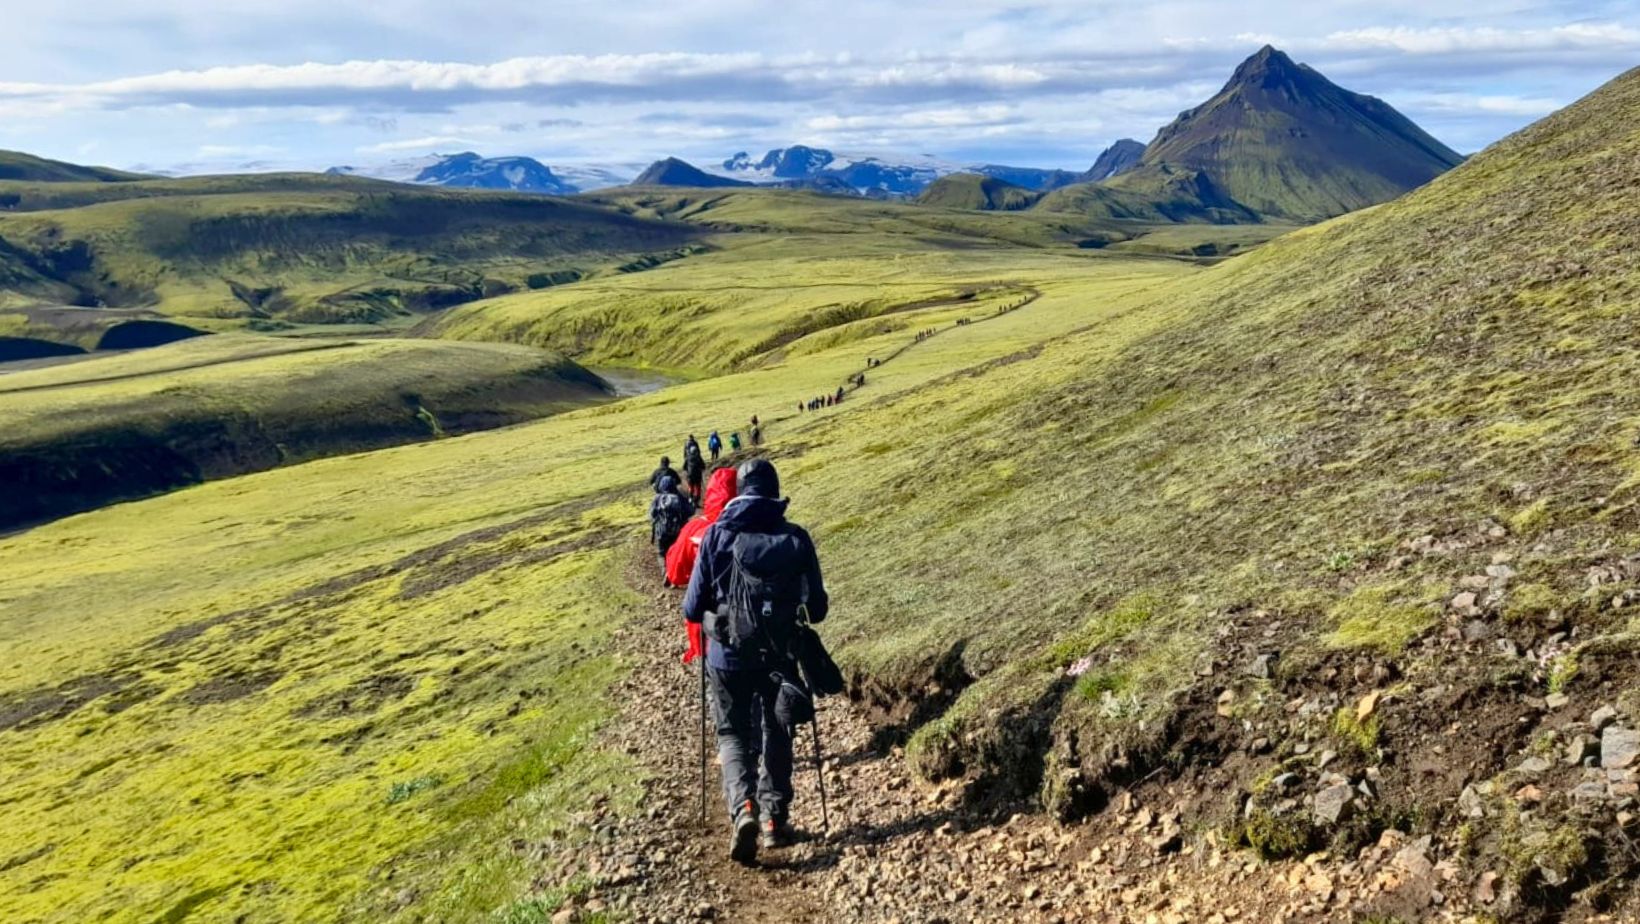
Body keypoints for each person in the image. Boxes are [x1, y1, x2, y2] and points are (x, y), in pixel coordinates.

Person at [683, 459, 828, 864]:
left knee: (732, 733)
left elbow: (692, 607)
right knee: (777, 729)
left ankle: (743, 807)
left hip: (726, 656)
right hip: (780, 655)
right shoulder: (795, 538)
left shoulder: (716, 535)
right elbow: (817, 609)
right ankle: (773, 820)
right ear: (774, 491)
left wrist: (715, 618)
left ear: (740, 492)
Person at [667, 466, 737, 594]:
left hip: (714, 599)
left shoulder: (694, 528)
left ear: (710, 493)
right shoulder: (764, 525)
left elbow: (675, 569)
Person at [648, 475, 694, 572]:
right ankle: (675, 571)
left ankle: (665, 571)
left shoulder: (657, 499)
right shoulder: (678, 498)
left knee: (662, 553)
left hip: (661, 532)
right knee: (676, 551)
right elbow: (690, 511)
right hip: (677, 531)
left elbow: (651, 515)